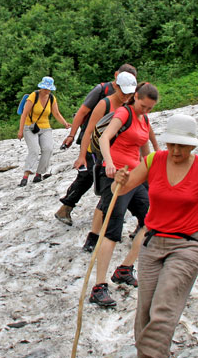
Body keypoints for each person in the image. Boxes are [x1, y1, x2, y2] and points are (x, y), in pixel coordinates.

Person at [113, 113, 198, 358]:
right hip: (153, 243)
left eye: (183, 146)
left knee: (165, 305)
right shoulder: (154, 162)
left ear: (193, 146)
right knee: (145, 310)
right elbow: (124, 189)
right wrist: (120, 179)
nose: (176, 151)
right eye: (172, 145)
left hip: (187, 246)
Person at [88, 82, 160, 308]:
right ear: (135, 97)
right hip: (116, 177)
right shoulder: (124, 112)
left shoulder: (144, 119)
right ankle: (98, 287)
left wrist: (153, 173)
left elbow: (146, 150)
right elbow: (105, 138)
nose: (145, 110)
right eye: (143, 105)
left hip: (135, 177)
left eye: (149, 108)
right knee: (112, 231)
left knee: (151, 221)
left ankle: (124, 269)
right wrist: (109, 164)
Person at [80, 73, 158, 252]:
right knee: (109, 208)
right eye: (124, 92)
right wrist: (83, 155)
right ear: (116, 86)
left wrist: (155, 159)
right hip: (111, 166)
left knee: (145, 209)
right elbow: (92, 130)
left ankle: (138, 237)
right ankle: (94, 237)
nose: (126, 96)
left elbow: (144, 139)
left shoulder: (141, 114)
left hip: (134, 170)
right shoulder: (107, 104)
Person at [55, 64, 137, 226]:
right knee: (87, 175)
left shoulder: (129, 98)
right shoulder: (101, 91)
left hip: (111, 144)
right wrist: (72, 135)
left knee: (108, 175)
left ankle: (123, 210)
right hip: (91, 140)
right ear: (116, 77)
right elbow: (82, 113)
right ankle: (66, 207)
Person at [17, 76, 70, 186]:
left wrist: (64, 123)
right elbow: (24, 114)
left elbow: (56, 113)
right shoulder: (33, 96)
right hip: (30, 127)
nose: (47, 91)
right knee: (35, 150)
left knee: (48, 149)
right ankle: (25, 176)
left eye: (49, 89)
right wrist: (20, 130)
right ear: (41, 87)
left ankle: (39, 174)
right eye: (45, 88)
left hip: (45, 127)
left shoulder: (51, 98)